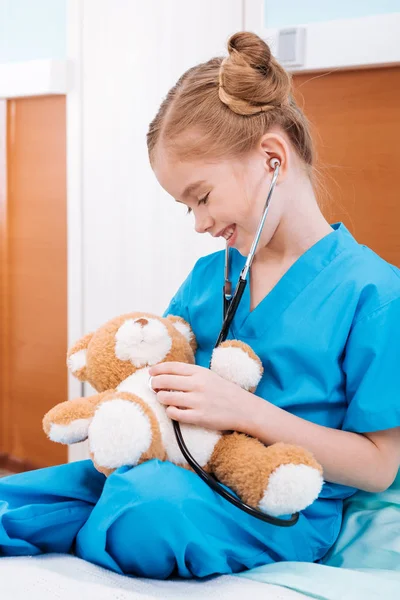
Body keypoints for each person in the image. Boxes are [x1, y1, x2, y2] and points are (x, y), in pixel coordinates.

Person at [1, 32, 400, 580]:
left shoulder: (374, 293)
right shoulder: (211, 277)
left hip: (273, 505)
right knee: (21, 494)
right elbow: (164, 373)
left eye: (202, 196)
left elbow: (378, 467)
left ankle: (90, 526)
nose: (200, 224)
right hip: (183, 466)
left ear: (272, 159)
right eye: (185, 207)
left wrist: (246, 414)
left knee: (149, 504)